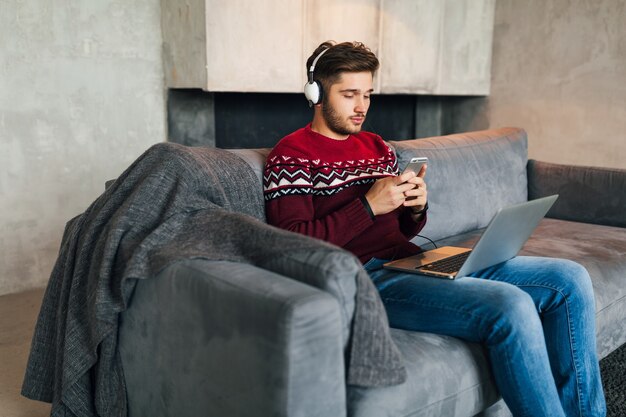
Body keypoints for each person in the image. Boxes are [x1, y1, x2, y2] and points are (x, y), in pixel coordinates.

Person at [263, 41, 606, 417]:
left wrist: (415, 207)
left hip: (414, 261)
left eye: (367, 94)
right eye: (349, 95)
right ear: (316, 93)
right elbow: (293, 246)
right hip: (363, 278)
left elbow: (401, 231)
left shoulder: (377, 147)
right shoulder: (291, 155)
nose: (362, 107)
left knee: (568, 278)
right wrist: (367, 206)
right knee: (510, 305)